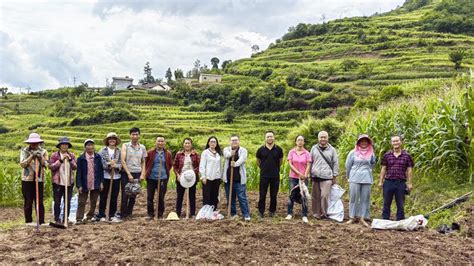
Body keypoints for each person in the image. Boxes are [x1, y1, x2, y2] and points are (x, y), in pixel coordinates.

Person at [379, 135, 414, 221]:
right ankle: (385, 220)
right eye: (393, 141)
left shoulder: (407, 156)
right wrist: (380, 181)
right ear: (391, 143)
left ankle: (400, 220)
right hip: (388, 182)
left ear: (401, 142)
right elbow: (383, 168)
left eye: (397, 141)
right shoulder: (387, 155)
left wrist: (409, 183)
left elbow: (409, 170)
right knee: (386, 203)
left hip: (401, 182)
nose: (395, 143)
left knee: (400, 203)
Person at [345, 134, 375, 227]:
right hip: (354, 178)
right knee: (353, 198)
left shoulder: (371, 153)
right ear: (358, 142)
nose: (363, 143)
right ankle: (352, 217)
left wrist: (366, 171)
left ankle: (362, 217)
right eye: (361, 141)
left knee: (365, 198)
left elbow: (372, 164)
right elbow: (348, 165)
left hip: (366, 178)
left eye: (365, 141)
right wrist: (348, 176)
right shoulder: (352, 152)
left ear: (368, 143)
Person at [19, 133, 49, 225]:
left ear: (39, 143)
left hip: (39, 179)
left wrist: (40, 157)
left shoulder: (44, 151)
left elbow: (46, 164)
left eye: (36, 142)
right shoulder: (24, 151)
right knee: (28, 201)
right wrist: (31, 156)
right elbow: (23, 164)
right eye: (33, 143)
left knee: (39, 201)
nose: (34, 144)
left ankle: (41, 221)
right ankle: (28, 221)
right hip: (27, 179)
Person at [310, 131, 339, 219]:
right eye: (321, 137)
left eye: (324, 137)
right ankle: (316, 213)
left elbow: (335, 163)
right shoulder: (314, 148)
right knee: (315, 196)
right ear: (318, 138)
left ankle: (324, 213)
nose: (323, 139)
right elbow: (310, 161)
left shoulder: (332, 149)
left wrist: (334, 175)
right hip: (315, 175)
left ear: (327, 138)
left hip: (327, 176)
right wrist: (309, 174)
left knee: (324, 195)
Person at [120, 127, 147, 219]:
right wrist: (128, 174)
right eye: (133, 134)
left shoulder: (142, 147)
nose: (135, 136)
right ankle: (123, 214)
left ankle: (129, 213)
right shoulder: (125, 145)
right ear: (130, 135)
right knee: (125, 194)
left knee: (134, 194)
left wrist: (143, 173)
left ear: (139, 135)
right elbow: (123, 161)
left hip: (137, 173)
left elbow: (143, 161)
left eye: (136, 134)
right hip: (126, 173)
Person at [48, 137, 77, 224]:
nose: (64, 146)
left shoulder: (72, 155)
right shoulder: (54, 155)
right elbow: (51, 167)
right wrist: (60, 160)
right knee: (57, 201)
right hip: (58, 182)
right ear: (59, 146)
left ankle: (65, 218)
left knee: (67, 202)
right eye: (63, 144)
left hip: (69, 182)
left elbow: (75, 167)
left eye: (66, 144)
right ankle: (57, 219)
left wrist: (70, 160)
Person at [76, 139, 104, 224]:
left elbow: (100, 170)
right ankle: (79, 218)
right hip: (84, 183)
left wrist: (101, 182)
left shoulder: (98, 157)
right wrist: (79, 185)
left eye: (91, 145)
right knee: (81, 201)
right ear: (85, 147)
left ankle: (89, 216)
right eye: (87, 145)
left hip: (95, 182)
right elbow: (79, 173)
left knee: (94, 201)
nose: (90, 147)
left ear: (94, 146)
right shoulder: (81, 158)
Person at [256, 130, 284, 218]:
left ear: (274, 137)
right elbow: (258, 161)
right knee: (262, 194)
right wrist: (264, 168)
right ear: (265, 138)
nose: (269, 138)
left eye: (271, 136)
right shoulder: (260, 149)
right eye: (268, 136)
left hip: (275, 176)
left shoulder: (279, 149)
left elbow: (280, 161)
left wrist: (275, 169)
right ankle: (261, 212)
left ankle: (272, 211)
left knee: (273, 195)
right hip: (264, 176)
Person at [223, 135, 251, 221]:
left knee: (242, 197)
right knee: (230, 198)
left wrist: (235, 164)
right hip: (228, 179)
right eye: (232, 140)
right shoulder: (226, 149)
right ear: (229, 142)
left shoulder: (243, 150)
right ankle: (233, 213)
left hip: (239, 179)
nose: (234, 142)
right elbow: (226, 155)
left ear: (239, 141)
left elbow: (242, 159)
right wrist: (231, 153)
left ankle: (246, 214)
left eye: (236, 140)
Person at [145, 135, 172, 219]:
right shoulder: (150, 152)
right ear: (155, 142)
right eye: (158, 141)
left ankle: (160, 214)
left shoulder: (167, 153)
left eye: (162, 141)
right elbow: (146, 164)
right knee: (150, 197)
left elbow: (169, 164)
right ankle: (150, 214)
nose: (160, 143)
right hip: (151, 178)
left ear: (164, 143)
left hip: (163, 178)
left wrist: (165, 172)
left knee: (161, 197)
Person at [98, 132, 123, 222]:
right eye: (110, 139)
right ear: (107, 141)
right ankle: (102, 214)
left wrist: (116, 166)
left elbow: (121, 163)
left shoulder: (119, 151)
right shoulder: (102, 151)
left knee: (114, 196)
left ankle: (112, 214)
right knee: (103, 196)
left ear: (116, 141)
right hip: (105, 177)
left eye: (114, 139)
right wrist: (109, 165)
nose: (112, 140)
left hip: (116, 177)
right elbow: (101, 163)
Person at [286, 135, 311, 223]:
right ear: (296, 142)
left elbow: (308, 165)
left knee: (304, 196)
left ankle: (304, 215)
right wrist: (299, 173)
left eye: (301, 140)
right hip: (293, 177)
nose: (300, 142)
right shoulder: (291, 152)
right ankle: (289, 213)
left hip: (304, 178)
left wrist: (305, 175)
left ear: (304, 142)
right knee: (291, 195)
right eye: (298, 140)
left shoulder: (307, 153)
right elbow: (290, 164)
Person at [173, 138, 200, 217]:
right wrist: (177, 175)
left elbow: (199, 166)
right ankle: (178, 213)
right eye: (185, 143)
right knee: (179, 196)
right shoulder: (179, 154)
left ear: (191, 145)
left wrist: (193, 173)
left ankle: (192, 213)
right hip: (181, 177)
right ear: (183, 144)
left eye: (188, 143)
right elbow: (174, 165)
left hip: (192, 178)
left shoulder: (195, 154)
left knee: (192, 196)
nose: (187, 145)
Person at [199, 136, 223, 210]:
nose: (213, 143)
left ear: (216, 144)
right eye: (211, 141)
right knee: (207, 195)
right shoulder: (205, 152)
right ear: (208, 143)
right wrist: (203, 177)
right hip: (208, 178)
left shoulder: (218, 153)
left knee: (215, 195)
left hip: (217, 177)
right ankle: (206, 211)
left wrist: (221, 177)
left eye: (214, 142)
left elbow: (220, 166)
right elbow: (202, 165)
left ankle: (213, 210)